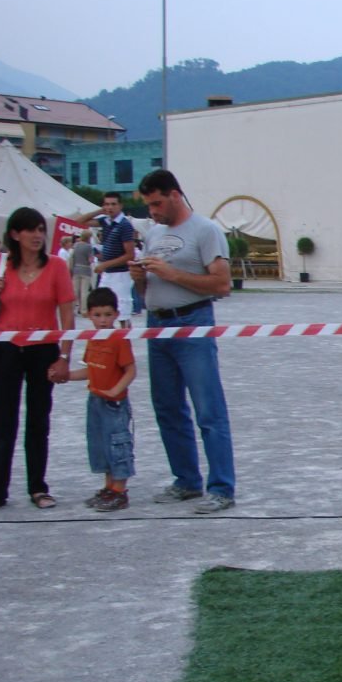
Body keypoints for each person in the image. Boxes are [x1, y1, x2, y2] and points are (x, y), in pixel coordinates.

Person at [129, 169, 236, 513]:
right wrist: (139, 279)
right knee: (167, 408)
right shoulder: (153, 234)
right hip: (157, 325)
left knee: (208, 409)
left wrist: (171, 273)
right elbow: (147, 291)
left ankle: (221, 487)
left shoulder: (206, 230)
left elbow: (222, 285)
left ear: (175, 195)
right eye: (148, 205)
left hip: (192, 323)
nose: (153, 212)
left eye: (157, 203)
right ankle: (186, 481)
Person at [0, 207, 75, 513]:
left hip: (43, 350)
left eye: (41, 229)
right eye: (31, 229)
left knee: (38, 420)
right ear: (15, 234)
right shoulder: (0, 263)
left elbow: (67, 316)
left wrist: (64, 356)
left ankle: (38, 487)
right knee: (2, 421)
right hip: (6, 349)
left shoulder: (56, 266)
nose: (38, 235)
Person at [67, 287, 136, 512]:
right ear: (89, 315)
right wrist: (67, 376)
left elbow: (130, 370)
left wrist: (116, 390)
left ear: (116, 314)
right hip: (95, 399)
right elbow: (90, 369)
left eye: (108, 314)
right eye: (97, 315)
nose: (103, 320)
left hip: (114, 403)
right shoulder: (93, 339)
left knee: (118, 445)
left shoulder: (119, 339)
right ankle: (109, 486)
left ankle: (120, 490)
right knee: (101, 445)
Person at [79, 192, 135, 327]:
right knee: (101, 305)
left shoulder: (125, 225)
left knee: (122, 312)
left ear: (120, 205)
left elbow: (130, 255)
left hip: (120, 274)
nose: (110, 207)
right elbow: (79, 221)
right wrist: (99, 211)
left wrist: (105, 265)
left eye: (113, 204)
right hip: (107, 273)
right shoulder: (105, 221)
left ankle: (125, 337)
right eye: (107, 204)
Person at [70, 231, 95, 315]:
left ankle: (72, 309)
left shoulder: (76, 245)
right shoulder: (89, 247)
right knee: (84, 291)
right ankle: (83, 310)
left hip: (76, 269)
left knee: (75, 291)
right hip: (85, 270)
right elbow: (90, 260)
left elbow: (72, 257)